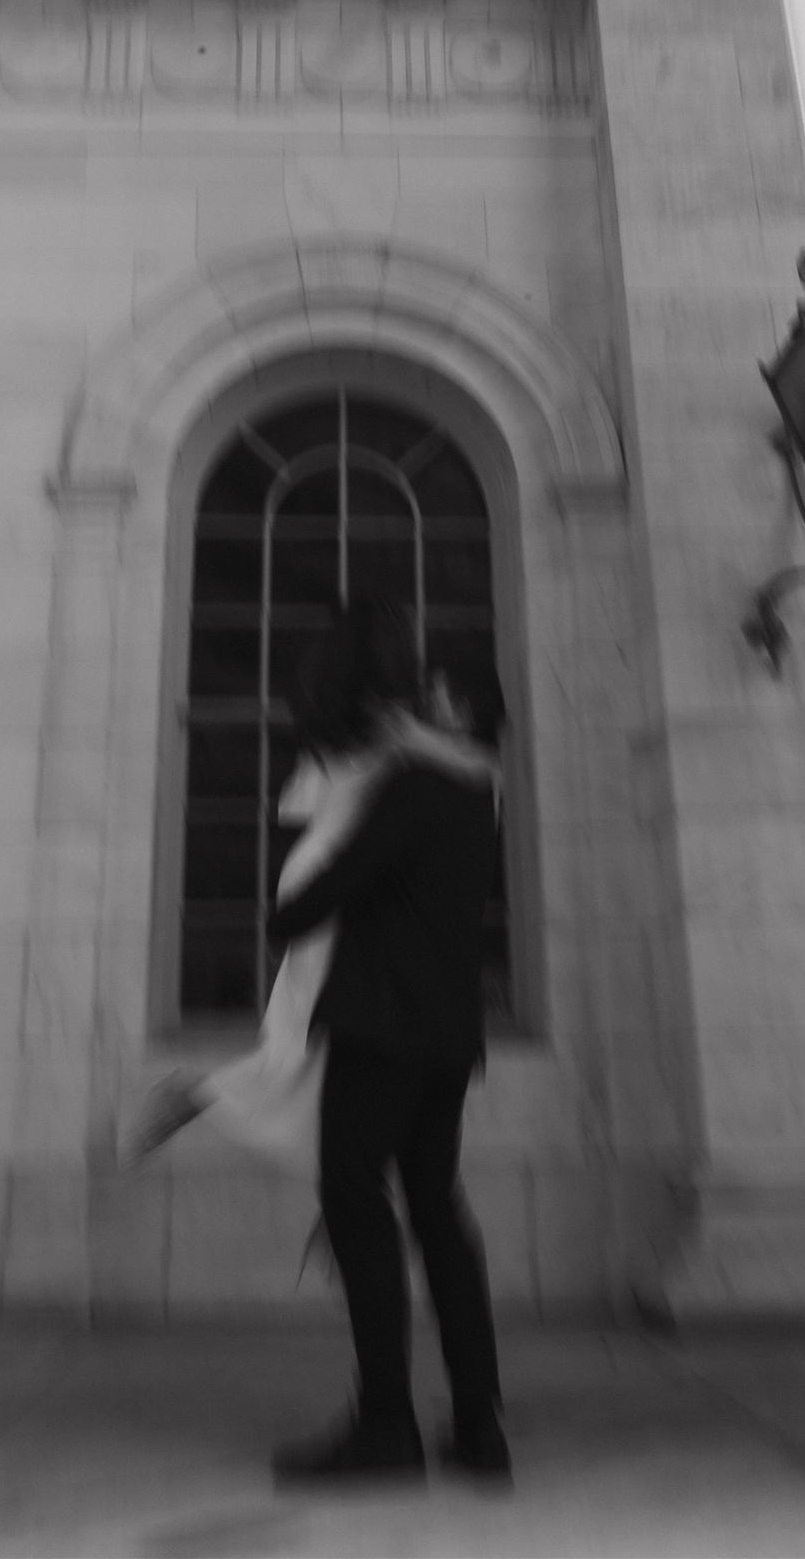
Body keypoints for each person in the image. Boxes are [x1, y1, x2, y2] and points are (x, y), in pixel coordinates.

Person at [124, 606, 499, 1185]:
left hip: (329, 870)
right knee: (322, 1037)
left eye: (437, 691)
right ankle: (202, 1099)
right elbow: (471, 766)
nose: (427, 690)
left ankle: (336, 1176)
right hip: (337, 875)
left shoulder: (370, 734)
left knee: (328, 1039)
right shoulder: (401, 736)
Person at [267, 629, 511, 1488]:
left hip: (383, 1033)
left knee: (354, 1202)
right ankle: (479, 1427)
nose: (418, 700)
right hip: (446, 1040)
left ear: (460, 707)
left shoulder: (419, 787)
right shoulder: (481, 792)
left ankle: (385, 1426)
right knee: (437, 1213)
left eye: (435, 690)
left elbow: (333, 888)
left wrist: (285, 912)